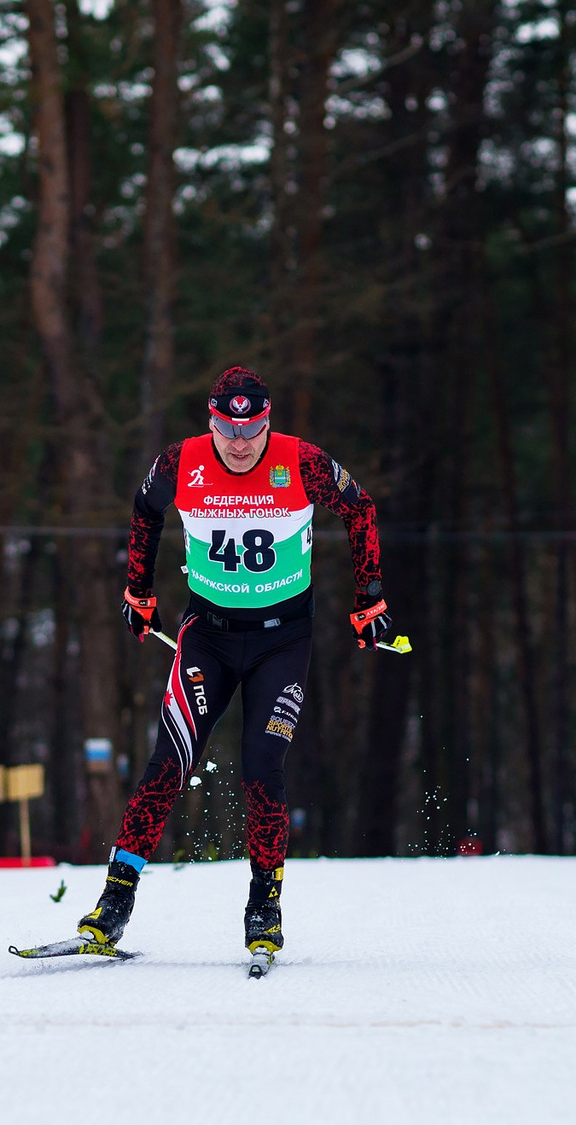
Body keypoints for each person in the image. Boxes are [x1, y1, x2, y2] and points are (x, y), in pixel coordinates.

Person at [74, 364, 391, 968]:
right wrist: (139, 591)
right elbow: (144, 509)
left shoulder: (301, 462)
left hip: (282, 641)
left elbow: (360, 508)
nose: (240, 442)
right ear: (211, 422)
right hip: (208, 638)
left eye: (252, 429)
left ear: (268, 421)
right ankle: (112, 905)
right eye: (228, 428)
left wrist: (369, 598)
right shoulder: (181, 462)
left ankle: (264, 908)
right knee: (169, 762)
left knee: (261, 766)